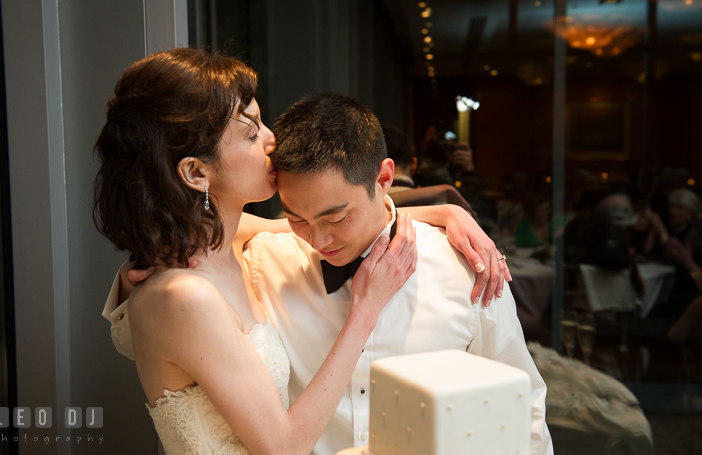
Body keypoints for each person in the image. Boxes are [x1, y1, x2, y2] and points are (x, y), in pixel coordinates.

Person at [99, 49, 512, 454]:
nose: (270, 139)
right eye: (251, 131)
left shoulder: (224, 241)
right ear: (195, 171)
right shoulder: (185, 291)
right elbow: (283, 448)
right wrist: (366, 308)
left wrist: (443, 212)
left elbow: (315, 218)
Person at [257, 94, 552, 455]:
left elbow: (523, 405)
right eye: (297, 219)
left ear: (384, 178)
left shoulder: (465, 267)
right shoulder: (263, 264)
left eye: (335, 218)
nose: (318, 240)